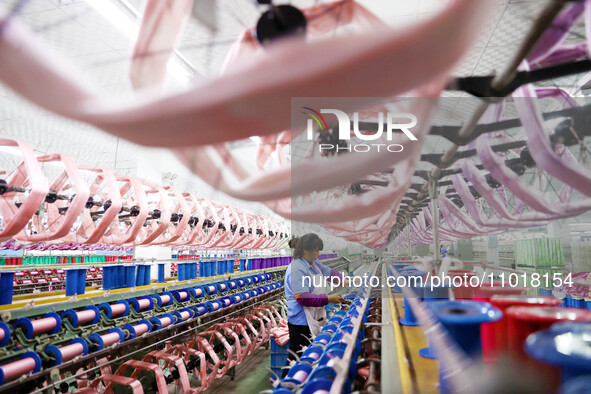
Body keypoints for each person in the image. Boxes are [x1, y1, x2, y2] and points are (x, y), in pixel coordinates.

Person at [283, 233, 345, 377]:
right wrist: (329, 298)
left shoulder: (314, 263)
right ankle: (286, 387)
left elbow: (329, 273)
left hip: (313, 317)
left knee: (309, 356)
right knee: (296, 360)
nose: (318, 254)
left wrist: (345, 281)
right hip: (301, 322)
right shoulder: (297, 269)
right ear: (306, 250)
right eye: (316, 250)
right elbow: (303, 298)